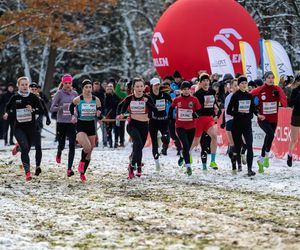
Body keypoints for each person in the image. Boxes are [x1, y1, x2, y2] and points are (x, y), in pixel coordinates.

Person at [3, 77, 44, 181]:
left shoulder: (33, 97)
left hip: (31, 128)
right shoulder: (15, 97)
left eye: (26, 84)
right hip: (19, 128)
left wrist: (33, 110)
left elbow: (41, 110)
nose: (25, 86)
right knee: (25, 148)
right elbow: (7, 107)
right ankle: (28, 173)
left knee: (27, 148)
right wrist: (6, 113)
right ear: (19, 86)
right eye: (22, 85)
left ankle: (18, 148)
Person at [117, 78, 158, 179]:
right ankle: (136, 168)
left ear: (144, 87)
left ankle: (132, 162)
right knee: (138, 144)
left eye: (141, 86)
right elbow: (120, 107)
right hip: (132, 125)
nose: (139, 88)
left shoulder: (148, 98)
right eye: (137, 86)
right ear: (133, 88)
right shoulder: (129, 98)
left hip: (144, 126)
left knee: (138, 147)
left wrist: (147, 102)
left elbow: (155, 111)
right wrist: (121, 114)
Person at [251, 71, 287, 173]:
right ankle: (266, 157)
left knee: (268, 139)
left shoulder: (277, 89)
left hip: (274, 119)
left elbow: (285, 103)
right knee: (270, 134)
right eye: (269, 78)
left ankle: (261, 161)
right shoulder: (260, 90)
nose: (271, 79)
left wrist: (279, 96)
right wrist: (257, 113)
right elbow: (248, 97)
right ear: (265, 79)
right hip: (263, 119)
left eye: (272, 77)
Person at [11, 82, 51, 176]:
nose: (33, 91)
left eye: (35, 89)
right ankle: (19, 147)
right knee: (27, 147)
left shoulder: (38, 99)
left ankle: (37, 166)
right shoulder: (25, 99)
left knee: (38, 146)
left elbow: (44, 109)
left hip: (37, 126)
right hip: (26, 127)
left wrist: (48, 119)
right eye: (31, 89)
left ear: (37, 90)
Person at [227, 76, 263, 177]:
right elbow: (229, 111)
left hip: (247, 125)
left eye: (245, 83)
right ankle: (234, 165)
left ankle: (249, 170)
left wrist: (258, 114)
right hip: (237, 125)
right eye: (242, 83)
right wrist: (238, 113)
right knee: (237, 149)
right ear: (238, 85)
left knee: (250, 146)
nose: (244, 85)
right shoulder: (235, 96)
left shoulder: (249, 96)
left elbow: (253, 109)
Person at [70, 79, 102, 182]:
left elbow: (100, 110)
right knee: (87, 147)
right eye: (86, 87)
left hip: (91, 125)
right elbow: (71, 107)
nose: (88, 89)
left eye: (90, 87)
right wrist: (73, 116)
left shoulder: (96, 99)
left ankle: (83, 173)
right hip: (81, 125)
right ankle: (81, 162)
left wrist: (99, 113)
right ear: (82, 89)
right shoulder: (78, 99)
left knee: (89, 151)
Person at [168, 81, 201, 176]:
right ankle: (188, 166)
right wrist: (170, 118)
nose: (186, 91)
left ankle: (183, 155)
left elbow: (199, 111)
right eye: (184, 89)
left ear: (190, 90)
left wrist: (195, 115)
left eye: (188, 89)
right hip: (180, 126)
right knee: (186, 145)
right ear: (181, 90)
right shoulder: (177, 99)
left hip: (191, 126)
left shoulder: (194, 99)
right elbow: (171, 108)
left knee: (188, 146)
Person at [191, 73, 220, 170]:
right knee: (196, 142)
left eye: (207, 80)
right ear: (200, 83)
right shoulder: (197, 94)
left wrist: (217, 114)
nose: (206, 82)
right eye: (203, 81)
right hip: (199, 120)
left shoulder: (212, 91)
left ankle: (213, 161)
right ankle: (187, 153)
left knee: (214, 136)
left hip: (209, 119)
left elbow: (215, 105)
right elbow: (193, 108)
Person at [50, 74, 78, 177]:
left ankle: (69, 169)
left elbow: (77, 107)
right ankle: (59, 151)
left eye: (69, 83)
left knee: (72, 145)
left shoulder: (75, 94)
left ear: (71, 83)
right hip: (61, 123)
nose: (68, 85)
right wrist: (61, 107)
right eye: (66, 83)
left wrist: (76, 116)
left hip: (71, 123)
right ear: (63, 83)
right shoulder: (59, 94)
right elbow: (52, 108)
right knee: (61, 145)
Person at [149, 77, 172, 170]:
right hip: (153, 122)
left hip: (164, 120)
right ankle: (157, 162)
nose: (157, 87)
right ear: (151, 86)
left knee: (166, 138)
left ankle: (164, 148)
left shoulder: (164, 95)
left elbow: (173, 103)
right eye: (155, 85)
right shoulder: (149, 97)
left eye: (158, 85)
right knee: (154, 143)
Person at [287, 74, 300, 167]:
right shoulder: (295, 91)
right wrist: (298, 96)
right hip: (296, 115)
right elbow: (290, 104)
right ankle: (289, 155)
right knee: (294, 139)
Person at [103, 82, 120, 148]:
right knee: (109, 130)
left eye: (111, 88)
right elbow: (105, 105)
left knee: (116, 130)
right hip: (108, 115)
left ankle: (116, 142)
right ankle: (110, 142)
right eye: (108, 88)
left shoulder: (115, 96)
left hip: (115, 115)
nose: (110, 89)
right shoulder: (105, 96)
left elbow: (118, 104)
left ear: (113, 89)